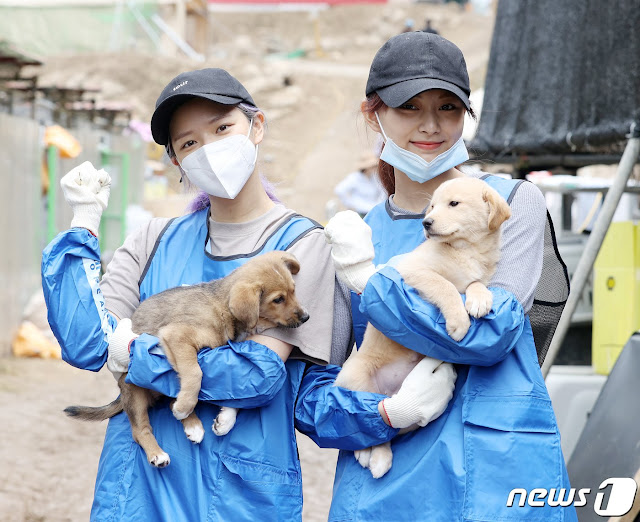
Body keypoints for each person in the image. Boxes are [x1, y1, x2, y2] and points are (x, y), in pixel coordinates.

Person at [42, 67, 453, 521]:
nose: (210, 150)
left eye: (222, 129)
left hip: (239, 496)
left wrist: (135, 354)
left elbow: (252, 376)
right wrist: (83, 224)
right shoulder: (152, 240)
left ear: (256, 126)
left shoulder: (303, 247)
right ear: (177, 162)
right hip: (138, 491)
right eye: (189, 143)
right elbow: (86, 344)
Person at [294, 32, 577, 521]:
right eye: (408, 107)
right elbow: (313, 395)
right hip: (384, 492)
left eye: (447, 107)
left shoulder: (508, 204)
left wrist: (373, 283)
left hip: (496, 485)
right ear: (373, 114)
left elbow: (487, 334)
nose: (430, 125)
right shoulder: (350, 238)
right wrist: (382, 415)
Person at [333, 151, 386, 217]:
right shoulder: (354, 178)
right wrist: (351, 204)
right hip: (361, 212)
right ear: (366, 167)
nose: (375, 168)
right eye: (373, 166)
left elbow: (382, 190)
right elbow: (339, 190)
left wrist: (379, 204)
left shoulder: (374, 177)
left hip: (373, 210)